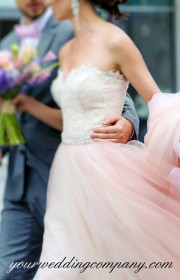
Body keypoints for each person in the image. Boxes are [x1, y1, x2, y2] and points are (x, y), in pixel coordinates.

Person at [30, 0, 180, 279]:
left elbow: (159, 103)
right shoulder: (65, 50)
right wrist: (25, 104)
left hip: (107, 172)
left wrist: (127, 121)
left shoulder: (115, 40)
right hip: (65, 173)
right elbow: (70, 117)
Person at [0, 0, 139, 279]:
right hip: (19, 181)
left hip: (69, 175)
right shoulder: (8, 43)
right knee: (10, 272)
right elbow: (10, 106)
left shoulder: (72, 30)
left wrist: (129, 121)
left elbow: (110, 88)